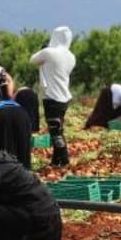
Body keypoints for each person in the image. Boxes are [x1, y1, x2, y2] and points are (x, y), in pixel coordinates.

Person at [30, 26, 76, 166]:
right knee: (58, 129)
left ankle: (65, 160)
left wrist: (44, 50)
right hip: (64, 98)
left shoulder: (49, 52)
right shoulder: (71, 56)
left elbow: (32, 60)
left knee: (55, 132)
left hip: (52, 97)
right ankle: (56, 161)